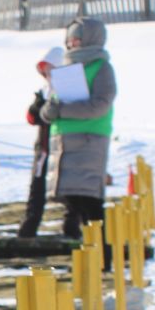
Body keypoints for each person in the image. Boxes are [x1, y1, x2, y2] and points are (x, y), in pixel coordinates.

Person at [41, 16, 118, 238]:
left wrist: (63, 111)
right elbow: (53, 102)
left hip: (89, 139)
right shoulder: (66, 69)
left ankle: (100, 257)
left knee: (89, 202)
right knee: (71, 200)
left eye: (77, 39)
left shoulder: (101, 68)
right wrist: (49, 111)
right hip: (64, 141)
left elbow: (100, 105)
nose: (72, 44)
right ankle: (81, 251)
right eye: (70, 39)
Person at [17, 47, 64, 237]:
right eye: (46, 71)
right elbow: (31, 118)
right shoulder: (44, 92)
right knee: (37, 187)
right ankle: (29, 226)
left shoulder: (66, 91)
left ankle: (71, 225)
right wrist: (37, 107)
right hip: (43, 148)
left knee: (65, 189)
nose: (48, 75)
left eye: (52, 70)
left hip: (62, 146)